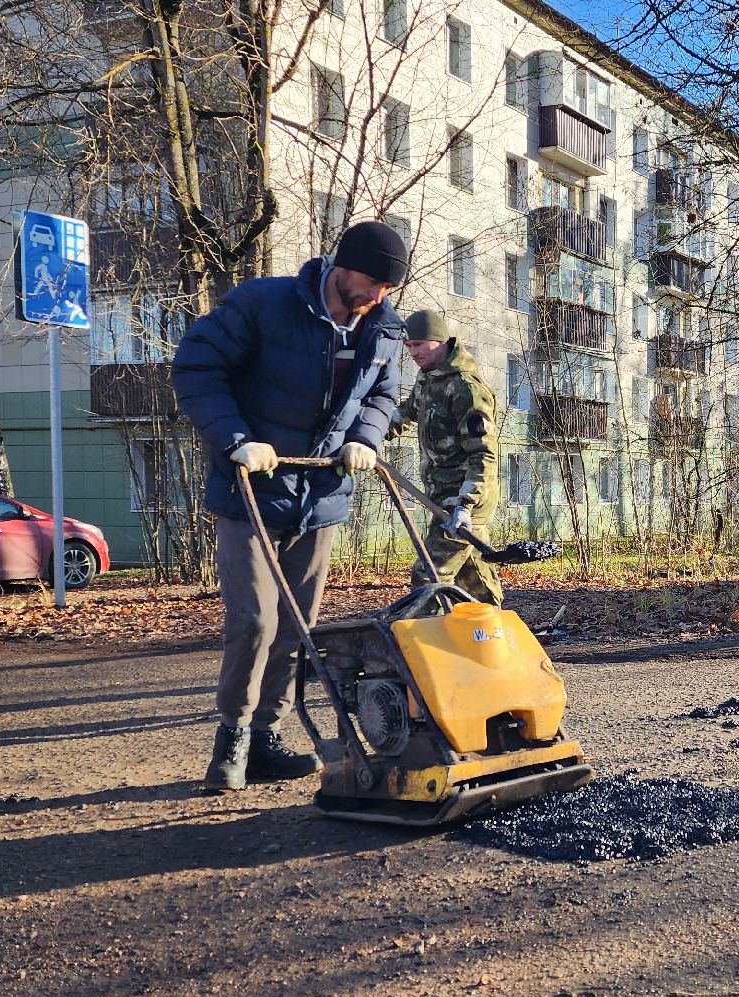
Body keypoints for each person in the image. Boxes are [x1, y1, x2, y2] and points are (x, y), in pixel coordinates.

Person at [172, 221, 409, 793]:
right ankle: (232, 738)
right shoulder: (263, 304)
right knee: (255, 620)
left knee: (298, 630)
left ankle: (266, 738)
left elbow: (383, 395)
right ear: (342, 265)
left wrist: (367, 439)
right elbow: (196, 367)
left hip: (321, 493)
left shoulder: (384, 327)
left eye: (386, 287)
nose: (376, 295)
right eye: (371, 282)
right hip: (250, 490)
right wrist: (234, 440)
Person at [387, 310, 502, 605]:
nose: (413, 352)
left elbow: (484, 454)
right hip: (442, 499)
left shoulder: (466, 388)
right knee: (475, 583)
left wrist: (465, 505)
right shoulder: (428, 380)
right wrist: (369, 435)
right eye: (409, 346)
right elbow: (408, 411)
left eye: (419, 345)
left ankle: (427, 648)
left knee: (429, 578)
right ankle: (493, 642)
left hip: (463, 502)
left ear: (439, 341)